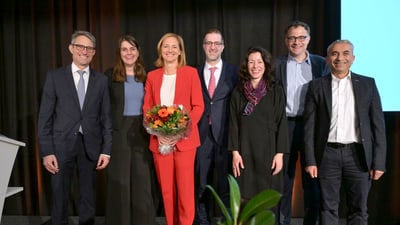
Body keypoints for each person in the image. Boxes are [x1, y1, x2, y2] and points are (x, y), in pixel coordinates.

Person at [303, 39, 387, 225]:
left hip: (358, 155)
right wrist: (310, 160)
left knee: (359, 209)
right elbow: (309, 127)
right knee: (327, 207)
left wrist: (379, 162)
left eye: (345, 53)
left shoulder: (368, 84)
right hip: (327, 155)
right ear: (327, 59)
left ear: (353, 58)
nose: (340, 58)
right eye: (334, 53)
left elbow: (378, 126)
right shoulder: (316, 86)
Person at [37, 30, 112, 225]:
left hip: (91, 146)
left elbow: (106, 118)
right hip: (60, 146)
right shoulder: (55, 77)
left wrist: (106, 150)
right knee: (59, 195)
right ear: (71, 48)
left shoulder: (101, 81)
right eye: (80, 46)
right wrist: (46, 152)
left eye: (89, 48)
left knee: (88, 196)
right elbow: (45, 118)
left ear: (94, 52)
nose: (84, 51)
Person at [143, 32, 204, 225]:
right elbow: (147, 108)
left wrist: (180, 131)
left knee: (185, 191)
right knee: (167, 191)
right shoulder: (152, 76)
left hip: (185, 142)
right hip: (160, 142)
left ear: (180, 51)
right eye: (166, 46)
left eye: (174, 46)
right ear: (160, 49)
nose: (169, 50)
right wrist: (159, 133)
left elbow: (198, 106)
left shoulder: (191, 73)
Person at [275, 20, 328, 225]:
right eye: (292, 38)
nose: (296, 42)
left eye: (300, 37)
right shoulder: (276, 64)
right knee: (283, 181)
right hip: (285, 126)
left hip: (312, 127)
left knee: (312, 181)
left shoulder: (320, 63)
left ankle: (311, 222)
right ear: (286, 40)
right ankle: (282, 222)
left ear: (308, 39)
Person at [228, 46, 289, 219]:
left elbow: (282, 122)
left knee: (268, 200)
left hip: (269, 153)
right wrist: (235, 153)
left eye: (259, 62)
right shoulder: (238, 93)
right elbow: (233, 125)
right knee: (245, 200)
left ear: (266, 65)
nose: (255, 66)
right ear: (246, 66)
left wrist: (280, 154)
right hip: (244, 152)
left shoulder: (276, 91)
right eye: (251, 62)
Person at [104, 35, 158, 225]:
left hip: (142, 132)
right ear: (119, 53)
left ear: (138, 52)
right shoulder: (109, 76)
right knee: (121, 182)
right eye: (124, 49)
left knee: (142, 181)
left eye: (132, 49)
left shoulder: (148, 76)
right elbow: (105, 109)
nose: (129, 53)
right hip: (119, 132)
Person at [194, 28, 238, 225]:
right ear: (204, 46)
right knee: (200, 184)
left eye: (216, 43)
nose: (212, 47)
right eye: (208, 43)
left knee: (225, 186)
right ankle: (202, 221)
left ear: (222, 47)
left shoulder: (234, 72)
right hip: (200, 136)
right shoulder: (192, 72)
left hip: (225, 136)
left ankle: (226, 222)